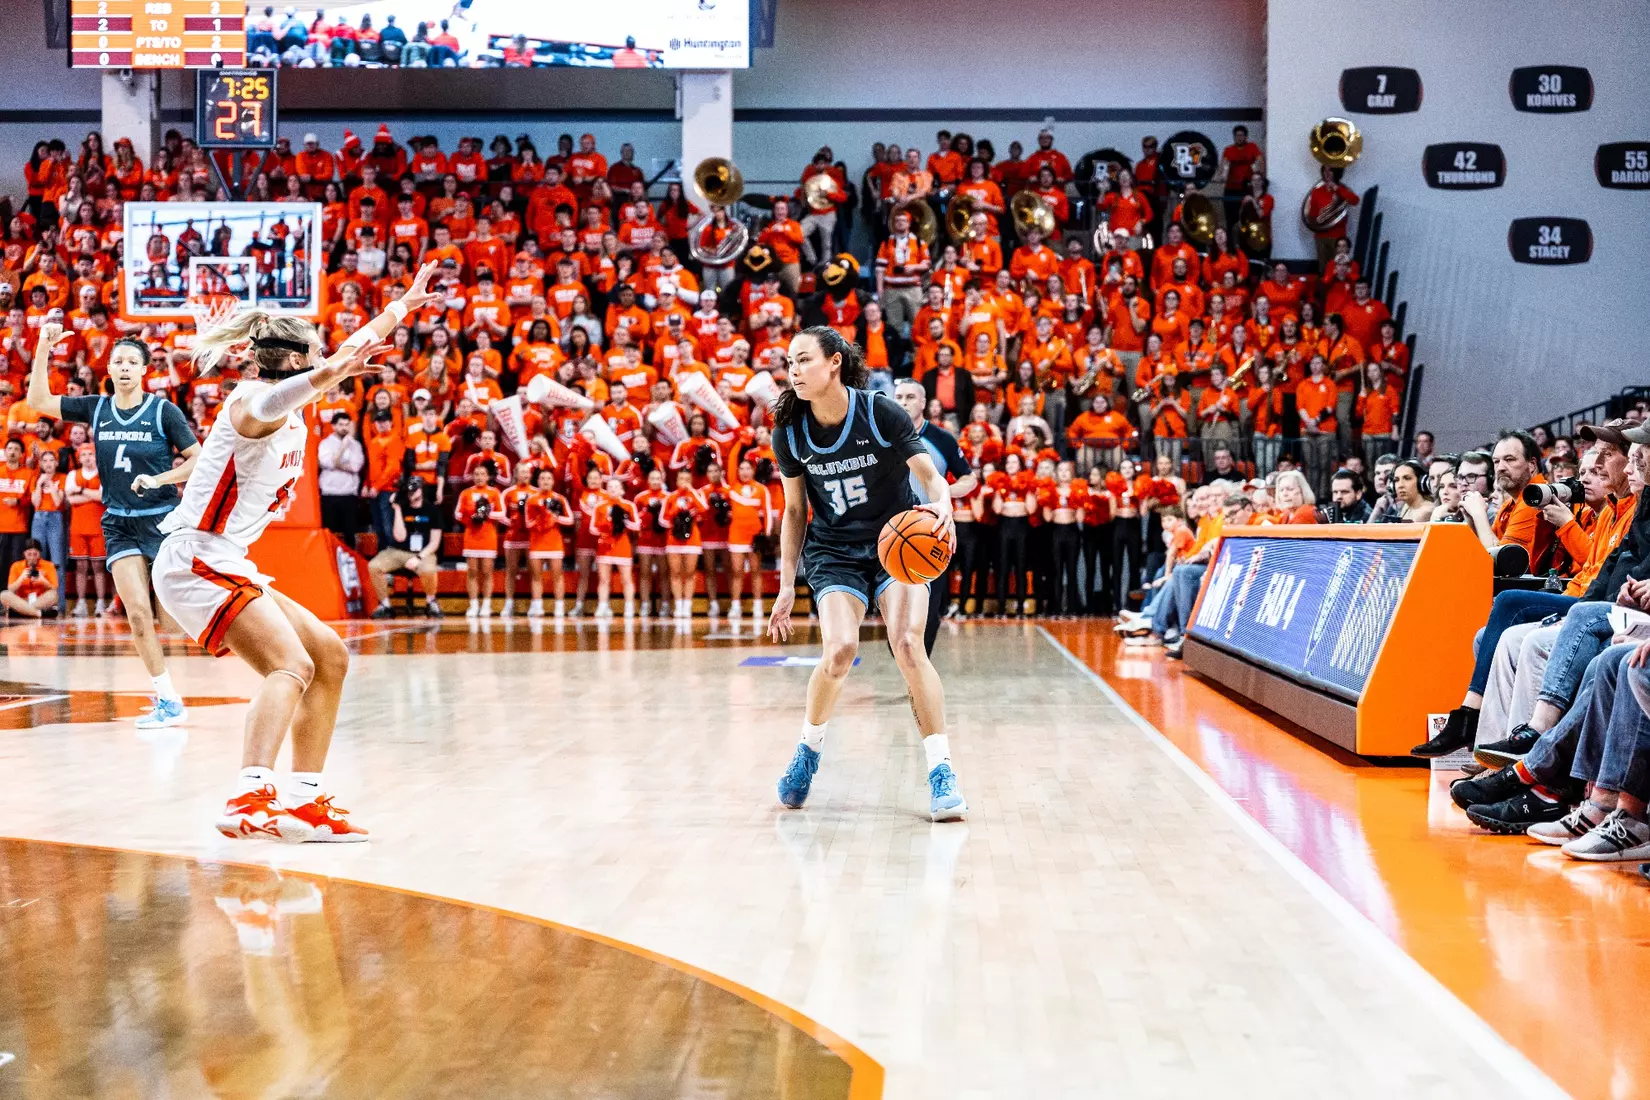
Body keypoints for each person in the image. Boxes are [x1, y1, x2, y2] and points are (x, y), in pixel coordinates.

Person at [149, 260, 442, 842]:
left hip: (224, 557)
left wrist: (401, 309)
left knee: (329, 657)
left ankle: (305, 801)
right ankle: (247, 795)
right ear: (289, 361)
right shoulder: (251, 403)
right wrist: (330, 371)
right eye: (311, 358)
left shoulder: (294, 390)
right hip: (194, 556)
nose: (320, 360)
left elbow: (339, 357)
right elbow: (302, 384)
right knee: (292, 665)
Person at [768, 327, 965, 821]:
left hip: (895, 544)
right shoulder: (790, 431)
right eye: (789, 362)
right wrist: (786, 584)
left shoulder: (880, 412)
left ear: (834, 362)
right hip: (833, 550)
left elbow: (927, 473)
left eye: (803, 359)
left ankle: (941, 770)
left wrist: (941, 502)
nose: (793, 370)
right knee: (839, 650)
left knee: (906, 643)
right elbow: (795, 513)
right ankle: (808, 751)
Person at [27, 323, 201, 729]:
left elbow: (197, 459)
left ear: (143, 371)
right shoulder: (96, 407)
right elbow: (38, 399)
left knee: (175, 617)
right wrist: (42, 347)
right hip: (118, 522)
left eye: (132, 362)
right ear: (109, 367)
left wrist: (159, 480)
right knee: (137, 615)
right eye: (118, 361)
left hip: (161, 519)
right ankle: (168, 699)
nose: (124, 367)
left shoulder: (163, 411)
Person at [893, 378, 976, 654]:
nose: (903, 402)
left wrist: (943, 494)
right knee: (895, 605)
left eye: (909, 397)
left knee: (931, 604)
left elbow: (970, 479)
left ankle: (921, 663)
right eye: (899, 397)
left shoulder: (941, 439)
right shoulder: (882, 437)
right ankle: (902, 651)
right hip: (893, 530)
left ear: (923, 403)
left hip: (932, 530)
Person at [1, 538, 57, 619]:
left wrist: (43, 581)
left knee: (53, 595)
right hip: (21, 601)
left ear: (40, 553)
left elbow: (54, 588)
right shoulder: (16, 566)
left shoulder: (49, 565)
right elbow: (10, 589)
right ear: (24, 553)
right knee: (4, 594)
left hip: (40, 601)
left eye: (35, 554)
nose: (32, 557)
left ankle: (23, 612)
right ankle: (37, 613)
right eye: (29, 554)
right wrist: (21, 579)